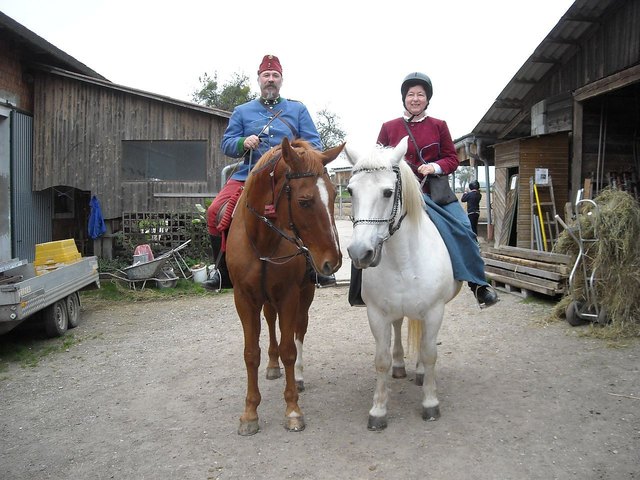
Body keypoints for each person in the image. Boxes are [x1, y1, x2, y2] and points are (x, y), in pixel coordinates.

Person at [349, 72, 498, 308]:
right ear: (404, 98)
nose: (415, 99)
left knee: (464, 228)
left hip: (433, 193)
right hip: (397, 196)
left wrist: (435, 166)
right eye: (411, 94)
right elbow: (377, 159)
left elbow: (452, 158)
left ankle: (478, 285)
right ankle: (359, 288)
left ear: (427, 99)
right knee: (365, 227)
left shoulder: (439, 126)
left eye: (420, 94)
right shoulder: (389, 127)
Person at [203, 54, 336, 290]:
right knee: (214, 212)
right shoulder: (243, 111)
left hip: (291, 178)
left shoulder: (297, 109)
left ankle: (312, 267)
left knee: (309, 209)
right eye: (266, 75)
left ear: (281, 80)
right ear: (259, 80)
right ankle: (222, 270)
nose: (271, 80)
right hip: (250, 176)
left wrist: (296, 151)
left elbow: (314, 144)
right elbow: (227, 144)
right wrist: (243, 141)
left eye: (275, 75)